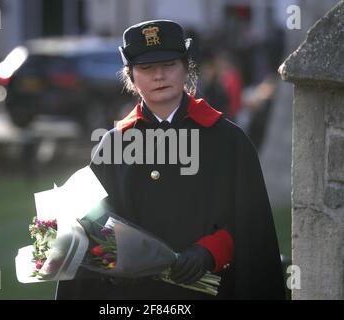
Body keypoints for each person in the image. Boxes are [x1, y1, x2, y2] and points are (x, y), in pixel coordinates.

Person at [56, 19, 285, 300]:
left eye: (168, 65)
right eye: (146, 68)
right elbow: (88, 231)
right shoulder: (112, 145)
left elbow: (252, 227)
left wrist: (209, 252)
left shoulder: (229, 141)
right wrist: (111, 265)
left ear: (186, 67)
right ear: (131, 76)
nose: (159, 76)